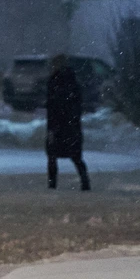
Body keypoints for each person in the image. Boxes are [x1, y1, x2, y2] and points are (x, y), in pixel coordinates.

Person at [46, 54, 91, 191]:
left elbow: (52, 104)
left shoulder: (55, 81)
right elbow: (77, 103)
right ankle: (84, 182)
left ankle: (52, 184)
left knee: (53, 155)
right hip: (71, 124)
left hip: (58, 123)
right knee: (75, 156)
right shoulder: (73, 81)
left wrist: (52, 124)